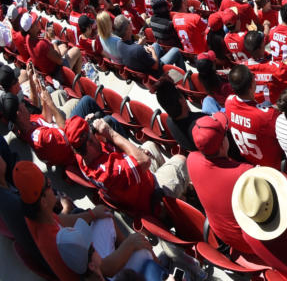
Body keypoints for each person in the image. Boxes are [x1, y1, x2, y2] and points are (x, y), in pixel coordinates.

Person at [16, 160, 160, 281]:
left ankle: (127, 253)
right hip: (98, 273)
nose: (50, 182)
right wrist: (130, 245)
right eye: (47, 185)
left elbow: (60, 220)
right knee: (142, 252)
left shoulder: (37, 215)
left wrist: (92, 214)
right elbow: (103, 270)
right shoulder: (59, 244)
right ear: (43, 202)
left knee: (103, 215)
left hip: (91, 265)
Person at [186, 112, 260, 256]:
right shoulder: (245, 173)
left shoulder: (191, 159)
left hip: (226, 238)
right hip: (254, 243)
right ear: (222, 146)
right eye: (226, 135)